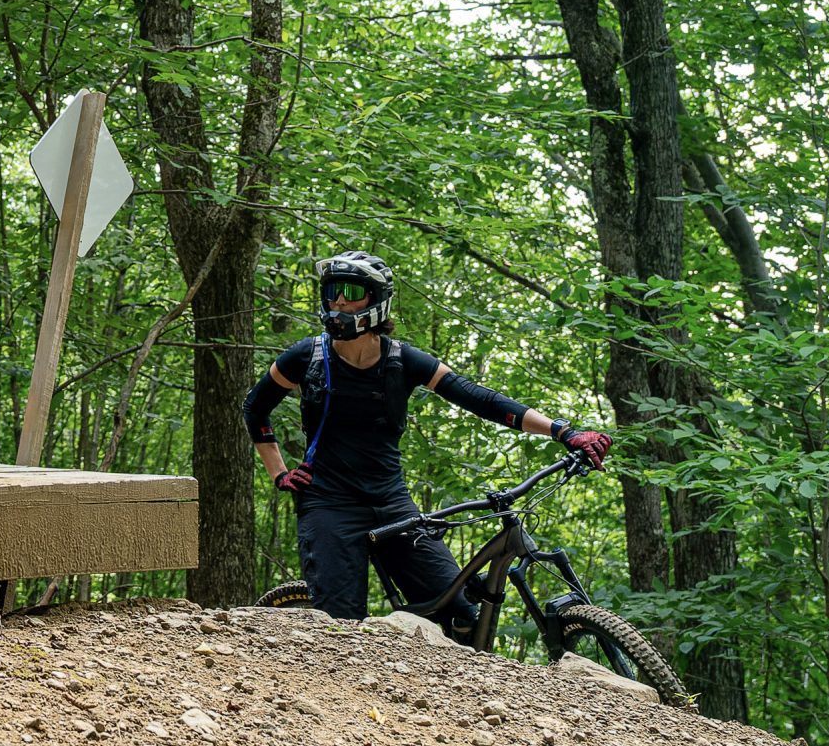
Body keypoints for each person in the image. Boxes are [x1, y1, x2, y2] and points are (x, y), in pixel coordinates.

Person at [246, 251, 614, 638]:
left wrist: (564, 432)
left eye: (350, 291)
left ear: (375, 300)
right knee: (341, 629)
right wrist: (280, 474)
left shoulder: (403, 360)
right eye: (332, 291)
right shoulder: (307, 357)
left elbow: (481, 399)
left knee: (462, 616)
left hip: (391, 502)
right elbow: (256, 409)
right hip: (328, 503)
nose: (338, 301)